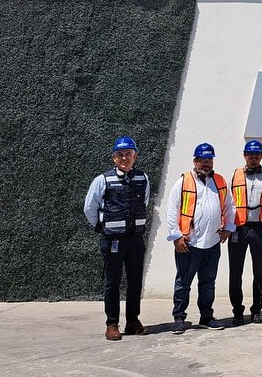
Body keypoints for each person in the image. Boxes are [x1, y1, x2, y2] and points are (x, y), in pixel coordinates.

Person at [83, 136, 151, 341]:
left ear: (135, 156)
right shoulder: (102, 180)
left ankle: (132, 321)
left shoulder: (143, 178)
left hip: (135, 239)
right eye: (120, 155)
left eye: (128, 154)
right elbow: (89, 208)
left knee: (135, 281)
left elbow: (145, 203)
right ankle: (112, 323)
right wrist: (102, 226)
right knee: (112, 282)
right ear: (114, 158)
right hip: (112, 240)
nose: (124, 158)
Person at [165, 142, 235, 334]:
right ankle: (179, 317)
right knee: (183, 283)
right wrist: (177, 236)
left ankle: (206, 317)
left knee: (208, 283)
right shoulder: (184, 181)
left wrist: (229, 227)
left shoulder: (219, 181)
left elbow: (230, 206)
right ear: (195, 161)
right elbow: (172, 210)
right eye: (202, 160)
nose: (206, 163)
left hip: (212, 243)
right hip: (189, 243)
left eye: (209, 160)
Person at [228, 139, 262, 325]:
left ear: (261, 156)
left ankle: (257, 309)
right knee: (235, 271)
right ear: (244, 156)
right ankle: (237, 310)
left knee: (260, 271)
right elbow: (228, 202)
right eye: (250, 155)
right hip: (239, 228)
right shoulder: (236, 174)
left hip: (260, 228)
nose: (253, 158)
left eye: (256, 155)